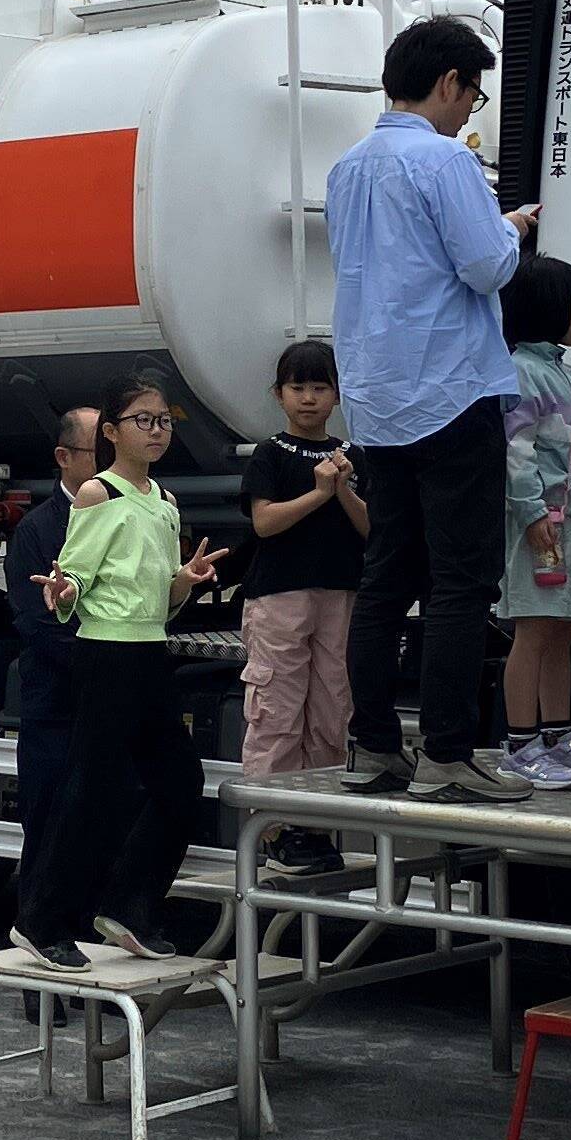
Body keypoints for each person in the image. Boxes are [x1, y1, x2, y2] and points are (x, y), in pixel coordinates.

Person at [327, 14, 540, 808]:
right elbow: (484, 267)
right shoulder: (446, 159)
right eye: (472, 95)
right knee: (461, 581)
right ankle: (448, 754)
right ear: (449, 82)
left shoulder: (347, 167)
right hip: (450, 388)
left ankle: (374, 746)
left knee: (386, 577)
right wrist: (509, 228)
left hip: (376, 396)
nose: (468, 112)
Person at [12, 368, 224, 973]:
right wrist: (63, 590)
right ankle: (41, 921)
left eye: (163, 421)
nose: (156, 431)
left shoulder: (165, 502)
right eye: (142, 421)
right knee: (91, 791)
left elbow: (162, 598)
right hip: (105, 653)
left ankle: (130, 906)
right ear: (111, 431)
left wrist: (184, 581)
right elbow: (77, 575)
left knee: (179, 782)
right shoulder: (96, 494)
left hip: (150, 651)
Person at [236, 335, 367, 876]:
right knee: (277, 711)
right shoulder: (270, 452)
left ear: (337, 394)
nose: (308, 398)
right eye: (297, 388)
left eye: (320, 387)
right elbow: (264, 522)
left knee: (333, 711)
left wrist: (343, 489)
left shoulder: (352, 456)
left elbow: (371, 529)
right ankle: (273, 829)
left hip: (340, 593)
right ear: (279, 394)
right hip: (280, 595)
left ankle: (316, 823)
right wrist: (319, 493)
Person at [496, 252, 571, 792]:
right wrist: (531, 511)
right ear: (547, 310)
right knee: (535, 627)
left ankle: (558, 735)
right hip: (544, 522)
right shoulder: (522, 371)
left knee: (563, 628)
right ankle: (520, 744)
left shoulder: (567, 375)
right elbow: (516, 450)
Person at [5, 406, 102, 867]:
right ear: (64, 457)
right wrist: (100, 662)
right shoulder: (37, 528)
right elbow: (35, 619)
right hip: (57, 699)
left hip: (111, 698)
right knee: (50, 827)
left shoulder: (131, 514)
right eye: (98, 451)